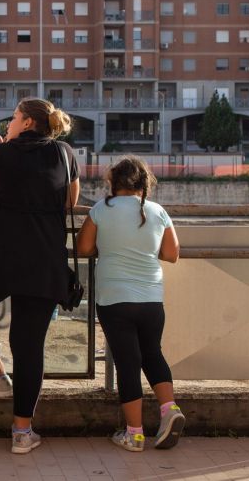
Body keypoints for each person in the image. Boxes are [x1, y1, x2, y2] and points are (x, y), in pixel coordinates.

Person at [0, 97, 79, 454]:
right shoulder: (65, 153)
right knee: (28, 346)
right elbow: (69, 202)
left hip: (3, 254)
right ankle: (22, 432)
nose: (9, 123)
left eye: (14, 118)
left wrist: (2, 158)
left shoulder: (0, 153)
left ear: (26, 123)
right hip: (45, 259)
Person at [75, 156, 184, 452]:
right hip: (151, 297)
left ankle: (134, 434)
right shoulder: (157, 210)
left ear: (113, 182)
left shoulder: (102, 210)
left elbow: (83, 248)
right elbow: (173, 253)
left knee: (127, 363)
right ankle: (169, 409)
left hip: (114, 297)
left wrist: (109, 246)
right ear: (144, 183)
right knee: (152, 354)